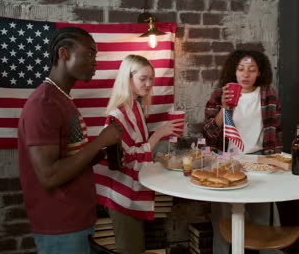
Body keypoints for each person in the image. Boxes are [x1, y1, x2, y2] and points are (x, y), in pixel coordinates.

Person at [18, 26, 123, 253]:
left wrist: (101, 153)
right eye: (89, 54)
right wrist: (100, 141)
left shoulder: (62, 99)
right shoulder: (44, 103)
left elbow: (69, 158)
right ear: (64, 54)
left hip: (77, 218)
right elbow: (49, 176)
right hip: (60, 224)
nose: (95, 62)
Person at [94, 55, 182, 254]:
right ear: (128, 78)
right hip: (120, 192)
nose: (149, 84)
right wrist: (159, 134)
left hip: (132, 189)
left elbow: (138, 146)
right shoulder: (117, 115)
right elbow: (122, 159)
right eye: (143, 78)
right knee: (130, 249)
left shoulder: (136, 106)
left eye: (151, 78)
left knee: (136, 246)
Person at [202, 50, 283, 254]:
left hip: (259, 163)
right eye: (240, 69)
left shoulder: (268, 94)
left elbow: (277, 132)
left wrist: (276, 163)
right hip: (226, 163)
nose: (245, 74)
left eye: (251, 70)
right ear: (233, 71)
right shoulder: (222, 94)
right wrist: (224, 108)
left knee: (262, 222)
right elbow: (209, 133)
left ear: (259, 73)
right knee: (223, 223)